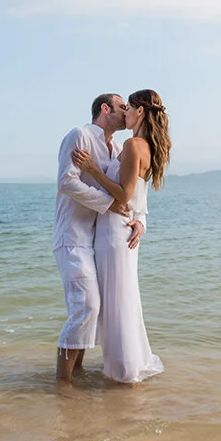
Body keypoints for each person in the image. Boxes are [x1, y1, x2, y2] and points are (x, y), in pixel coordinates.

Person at [71, 88, 169, 384]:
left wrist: (91, 169)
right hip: (119, 231)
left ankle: (123, 371)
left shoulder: (133, 144)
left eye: (128, 107)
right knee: (122, 298)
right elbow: (137, 198)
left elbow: (125, 194)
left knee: (117, 302)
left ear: (139, 111)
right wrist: (140, 220)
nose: (124, 111)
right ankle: (125, 365)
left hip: (113, 234)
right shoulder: (145, 146)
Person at [53, 94, 145, 395]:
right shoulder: (78, 135)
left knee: (96, 309)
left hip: (101, 241)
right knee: (86, 306)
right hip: (72, 237)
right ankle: (62, 384)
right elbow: (67, 182)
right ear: (105, 109)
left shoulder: (117, 148)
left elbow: (132, 189)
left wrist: (140, 220)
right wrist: (108, 204)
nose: (125, 112)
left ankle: (77, 373)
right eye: (121, 107)